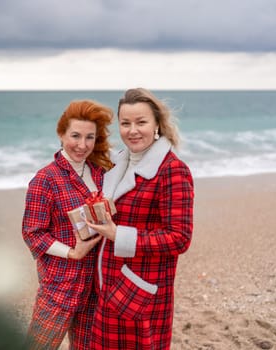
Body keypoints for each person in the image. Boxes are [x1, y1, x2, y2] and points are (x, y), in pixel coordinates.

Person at [86, 88, 194, 349]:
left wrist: (118, 235)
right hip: (107, 283)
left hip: (139, 290)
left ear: (157, 124)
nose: (132, 130)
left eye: (141, 122)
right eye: (125, 123)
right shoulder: (118, 163)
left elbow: (179, 238)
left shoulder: (173, 171)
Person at [22, 100, 113, 349]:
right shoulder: (45, 179)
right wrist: (72, 252)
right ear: (61, 134)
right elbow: (32, 234)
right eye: (75, 136)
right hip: (61, 284)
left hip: (95, 284)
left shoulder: (101, 173)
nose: (82, 145)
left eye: (89, 137)